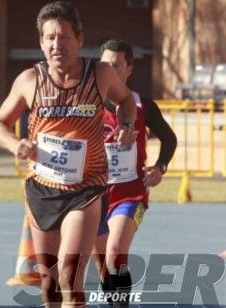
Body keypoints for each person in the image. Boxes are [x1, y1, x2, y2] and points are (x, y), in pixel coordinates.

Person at [0, 2, 137, 307]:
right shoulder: (30, 80)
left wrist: (125, 124)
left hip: (85, 189)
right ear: (41, 42)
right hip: (42, 189)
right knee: (50, 284)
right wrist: (15, 144)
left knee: (71, 278)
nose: (57, 44)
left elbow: (126, 102)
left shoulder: (100, 74)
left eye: (64, 37)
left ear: (79, 39)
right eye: (50, 38)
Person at [91, 39, 177, 307]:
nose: (111, 71)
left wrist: (160, 167)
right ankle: (115, 301)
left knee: (116, 252)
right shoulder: (88, 106)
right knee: (103, 261)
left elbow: (169, 139)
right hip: (94, 194)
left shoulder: (143, 106)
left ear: (129, 69)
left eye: (117, 65)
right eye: (106, 65)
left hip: (131, 193)